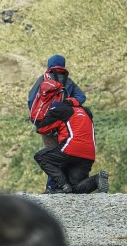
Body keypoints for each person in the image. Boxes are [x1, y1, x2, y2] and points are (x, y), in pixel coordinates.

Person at [32, 79, 108, 194]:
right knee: (76, 188)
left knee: (41, 157)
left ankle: (63, 185)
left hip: (71, 148)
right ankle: (96, 179)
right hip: (89, 153)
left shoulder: (61, 110)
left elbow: (42, 128)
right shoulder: (85, 111)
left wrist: (50, 115)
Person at [27, 54, 86, 192]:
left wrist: (38, 120)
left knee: (49, 155)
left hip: (46, 125)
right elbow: (81, 97)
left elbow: (31, 100)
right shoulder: (69, 82)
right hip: (63, 125)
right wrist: (68, 105)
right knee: (62, 153)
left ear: (49, 65)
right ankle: (63, 185)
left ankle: (52, 187)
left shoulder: (43, 80)